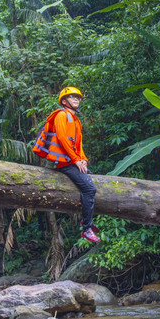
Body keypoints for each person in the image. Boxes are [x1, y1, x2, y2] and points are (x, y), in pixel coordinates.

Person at [33, 87, 100, 243]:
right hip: (62, 163)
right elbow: (63, 139)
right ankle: (86, 228)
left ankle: (86, 220)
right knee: (90, 188)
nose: (76, 99)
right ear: (64, 101)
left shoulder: (75, 120)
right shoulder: (62, 115)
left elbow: (78, 144)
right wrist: (76, 160)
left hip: (71, 161)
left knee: (89, 180)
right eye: (72, 97)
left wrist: (83, 159)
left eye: (78, 97)